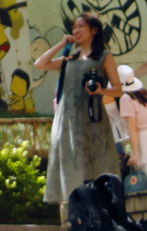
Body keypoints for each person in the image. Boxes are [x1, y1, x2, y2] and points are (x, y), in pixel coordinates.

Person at [34, 12, 124, 209]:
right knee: (69, 168)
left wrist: (101, 90)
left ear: (94, 30)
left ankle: (98, 214)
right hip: (67, 121)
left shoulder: (104, 57)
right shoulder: (69, 58)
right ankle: (70, 215)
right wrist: (61, 44)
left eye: (81, 26)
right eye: (74, 27)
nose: (77, 30)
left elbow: (118, 89)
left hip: (93, 120)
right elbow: (40, 64)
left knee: (96, 168)